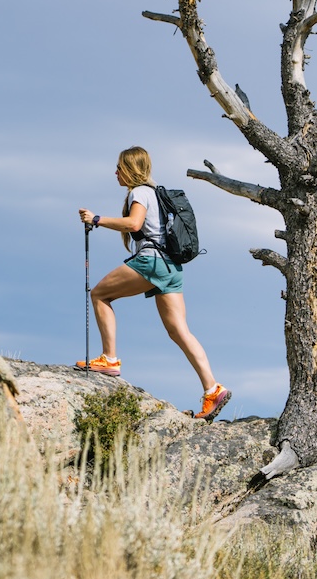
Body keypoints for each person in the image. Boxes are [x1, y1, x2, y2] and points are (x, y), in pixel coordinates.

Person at [76, 146, 231, 421]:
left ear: (130, 169)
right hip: (171, 266)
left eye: (119, 168)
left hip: (151, 262)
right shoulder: (157, 193)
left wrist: (96, 219)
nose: (115, 172)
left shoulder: (140, 192)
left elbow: (134, 225)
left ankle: (109, 359)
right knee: (179, 331)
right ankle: (212, 389)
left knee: (100, 294)